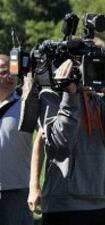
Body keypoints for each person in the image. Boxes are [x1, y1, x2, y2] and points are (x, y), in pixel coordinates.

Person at [30, 59, 105, 225]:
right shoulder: (50, 95)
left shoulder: (100, 97)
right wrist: (70, 94)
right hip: (64, 204)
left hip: (102, 201)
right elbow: (61, 143)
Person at [0, 54, 34, 225]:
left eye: (13, 72)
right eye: (4, 72)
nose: (10, 77)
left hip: (17, 191)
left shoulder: (25, 104)